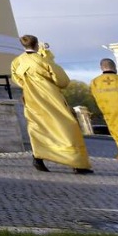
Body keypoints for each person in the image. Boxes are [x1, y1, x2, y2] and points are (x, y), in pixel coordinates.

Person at [10, 35, 92, 174]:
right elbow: (63, 81)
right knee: (66, 127)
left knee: (38, 127)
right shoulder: (43, 60)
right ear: (36, 45)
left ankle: (38, 158)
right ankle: (77, 162)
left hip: (32, 99)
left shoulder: (17, 62)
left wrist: (28, 86)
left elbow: (16, 78)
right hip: (50, 98)